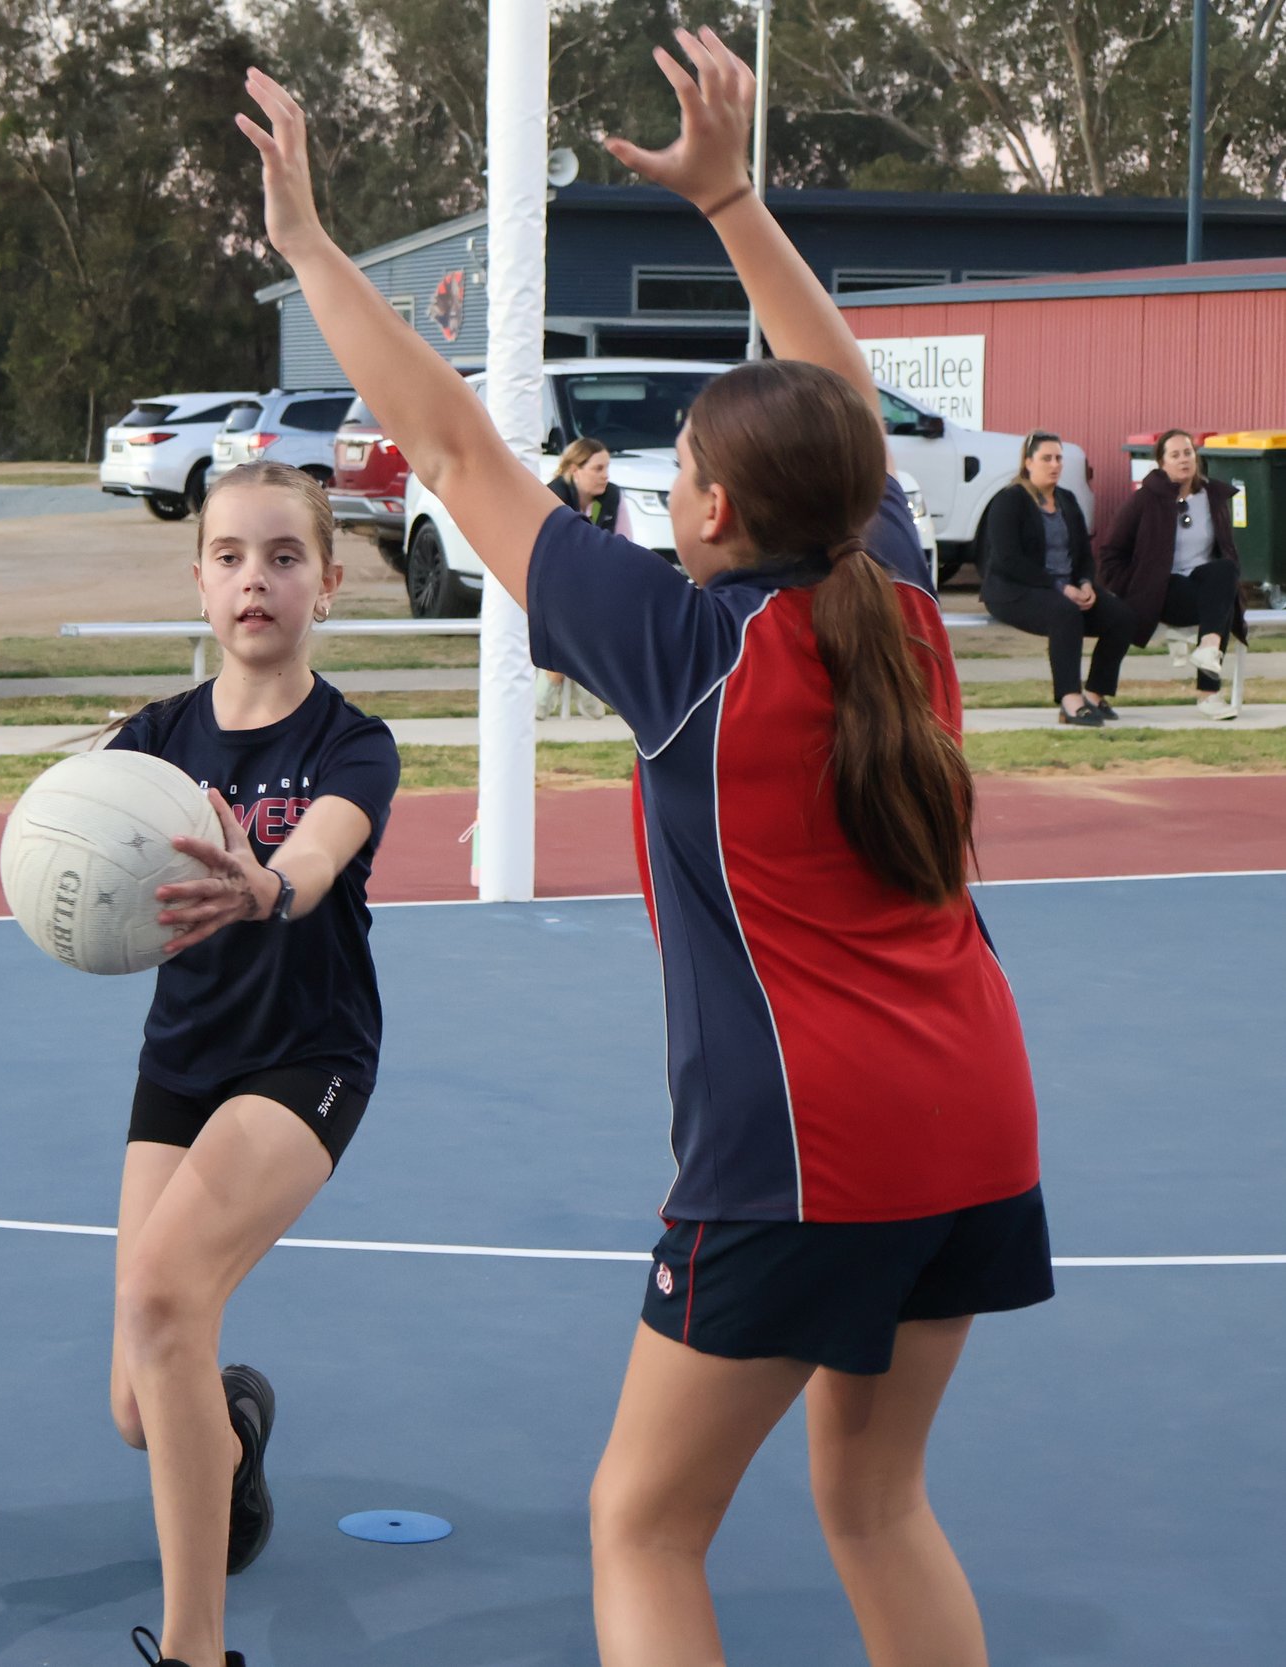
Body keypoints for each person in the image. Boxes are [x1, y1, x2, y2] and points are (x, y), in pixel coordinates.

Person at [242, 31, 1051, 1667]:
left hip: (795, 1157)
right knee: (878, 1502)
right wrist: (736, 199)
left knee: (645, 1522)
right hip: (975, 1117)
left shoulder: (690, 654)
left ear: (717, 517)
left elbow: (455, 445)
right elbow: (840, 404)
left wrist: (315, 249)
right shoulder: (893, 598)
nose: (665, 486)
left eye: (681, 470)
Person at [107, 460, 400, 1667]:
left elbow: (321, 853)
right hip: (182, 1061)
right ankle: (231, 1425)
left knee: (166, 1297)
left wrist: (268, 881)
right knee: (139, 1403)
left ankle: (195, 1652)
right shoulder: (152, 745)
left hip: (305, 1055)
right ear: (199, 578)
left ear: (326, 584)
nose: (254, 579)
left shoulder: (354, 743)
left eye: (283, 556)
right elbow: (86, 870)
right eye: (229, 555)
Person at [977, 431, 1132, 725]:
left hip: (1067, 590)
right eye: (1046, 458)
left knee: (1121, 616)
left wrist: (1086, 583)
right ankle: (1070, 700)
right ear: (1028, 462)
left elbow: (1085, 554)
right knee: (1065, 612)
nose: (1054, 465)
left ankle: (1095, 695)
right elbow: (1007, 560)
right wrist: (1061, 588)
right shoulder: (1009, 501)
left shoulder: (1067, 501)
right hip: (1014, 590)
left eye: (1059, 458)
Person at [1099, 428, 1250, 720]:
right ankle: (1209, 688)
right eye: (1175, 454)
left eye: (1188, 453)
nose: (1183, 460)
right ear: (1161, 462)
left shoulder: (1213, 498)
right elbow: (1110, 554)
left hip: (1203, 588)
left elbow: (1226, 551)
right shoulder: (1145, 500)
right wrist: (1130, 587)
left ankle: (1208, 664)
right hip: (1160, 592)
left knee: (1225, 572)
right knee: (1220, 603)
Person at [540, 438, 624, 717]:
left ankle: (557, 682)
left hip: (592, 582)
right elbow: (549, 557)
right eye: (598, 468)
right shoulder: (551, 498)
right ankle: (576, 682)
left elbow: (624, 545)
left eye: (607, 467)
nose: (606, 475)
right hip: (550, 582)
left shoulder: (612, 498)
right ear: (575, 470)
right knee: (576, 611)